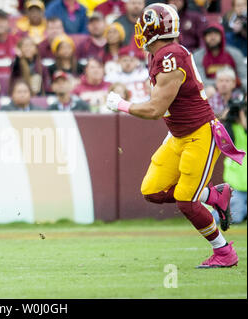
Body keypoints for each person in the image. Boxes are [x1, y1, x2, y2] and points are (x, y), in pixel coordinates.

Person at [106, 3, 242, 268]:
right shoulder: (159, 54)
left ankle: (224, 252)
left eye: (144, 26)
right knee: (153, 190)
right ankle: (214, 196)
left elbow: (156, 109)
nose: (140, 31)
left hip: (200, 135)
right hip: (178, 135)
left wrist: (122, 105)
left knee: (186, 202)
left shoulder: (171, 56)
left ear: (155, 29)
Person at [210, 96, 247, 225]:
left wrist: (243, 118)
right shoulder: (230, 127)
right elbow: (220, 137)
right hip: (238, 185)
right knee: (234, 217)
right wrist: (226, 118)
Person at [193, 23, 247, 92]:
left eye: (215, 34)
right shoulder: (198, 56)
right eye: (209, 35)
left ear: (222, 36)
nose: (212, 38)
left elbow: (244, 77)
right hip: (210, 91)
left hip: (235, 90)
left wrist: (236, 83)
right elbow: (200, 81)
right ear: (204, 38)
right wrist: (225, 83)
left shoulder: (235, 53)